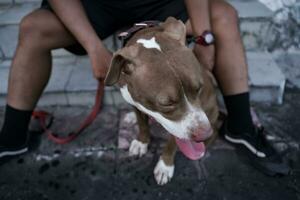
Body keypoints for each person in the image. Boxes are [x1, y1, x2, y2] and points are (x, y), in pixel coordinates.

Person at [0, 0, 289, 175]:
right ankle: (12, 138)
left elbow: (205, 28)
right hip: (96, 6)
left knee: (224, 17)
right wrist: (93, 47)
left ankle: (240, 128)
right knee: (32, 27)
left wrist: (203, 37)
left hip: (160, 3)